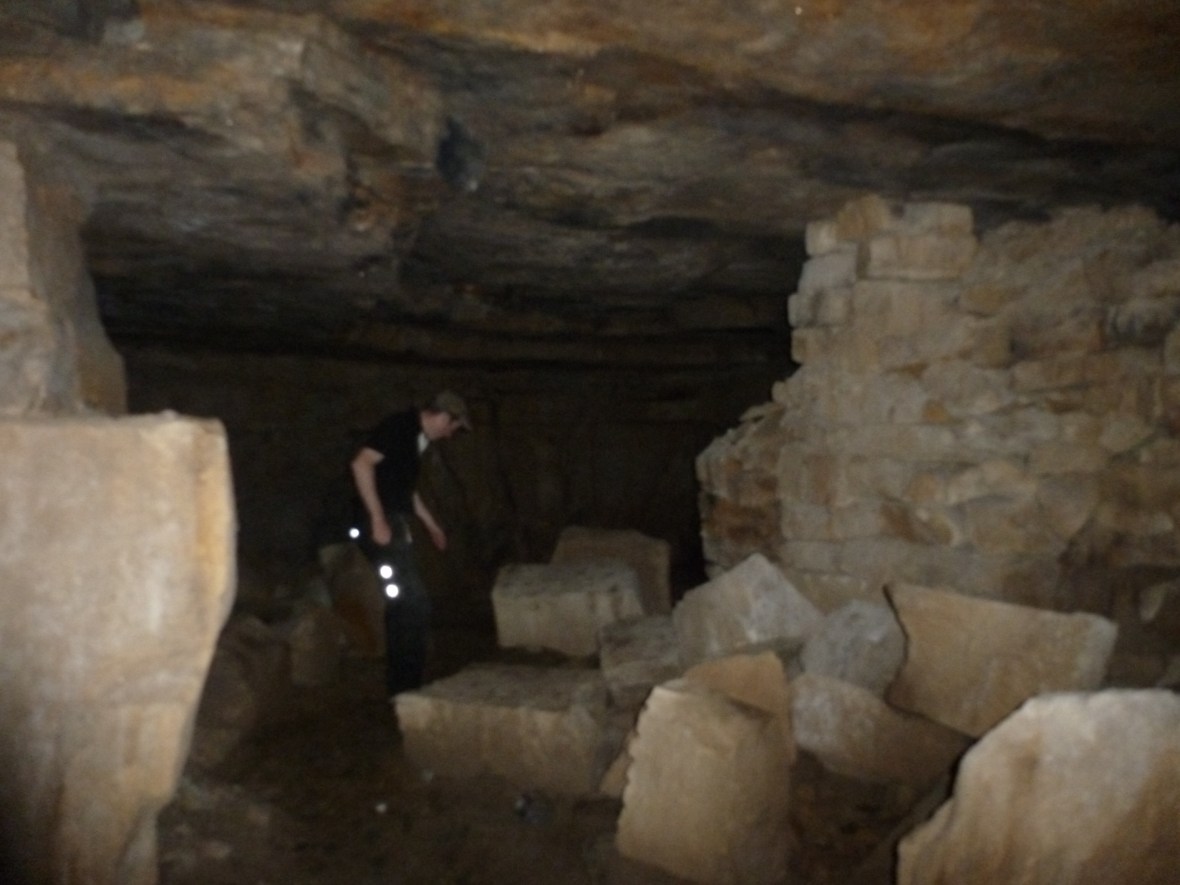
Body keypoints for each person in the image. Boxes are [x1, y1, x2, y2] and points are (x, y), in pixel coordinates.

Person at [350, 390, 471, 699]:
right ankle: (404, 688)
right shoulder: (400, 428)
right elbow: (361, 464)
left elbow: (407, 491)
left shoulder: (418, 441)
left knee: (408, 604)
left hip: (395, 523)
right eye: (454, 426)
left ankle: (406, 686)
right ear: (444, 416)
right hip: (380, 526)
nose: (452, 434)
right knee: (410, 602)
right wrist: (377, 519)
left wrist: (432, 526)